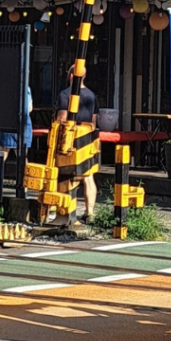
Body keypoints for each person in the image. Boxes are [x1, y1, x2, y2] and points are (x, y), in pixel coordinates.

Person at [56, 66, 98, 223]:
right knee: (88, 177)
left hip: (71, 139)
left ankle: (67, 211)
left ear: (71, 75)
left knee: (67, 176)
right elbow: (94, 121)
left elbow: (62, 119)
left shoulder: (65, 95)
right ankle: (90, 212)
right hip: (88, 138)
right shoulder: (92, 96)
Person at [0, 84, 33, 163]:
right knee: (22, 157)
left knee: (2, 153)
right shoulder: (27, 88)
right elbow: (30, 108)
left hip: (9, 121)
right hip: (24, 122)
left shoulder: (6, 87)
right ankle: (24, 175)